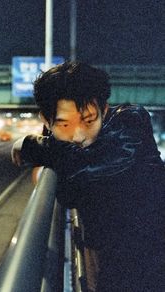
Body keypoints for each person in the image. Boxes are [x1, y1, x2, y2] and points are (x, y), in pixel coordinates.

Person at [11, 62, 165, 291]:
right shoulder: (63, 142)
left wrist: (29, 144)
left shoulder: (131, 124)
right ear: (46, 119)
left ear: (104, 110)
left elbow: (84, 166)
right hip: (111, 263)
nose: (79, 136)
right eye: (64, 124)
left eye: (89, 120)